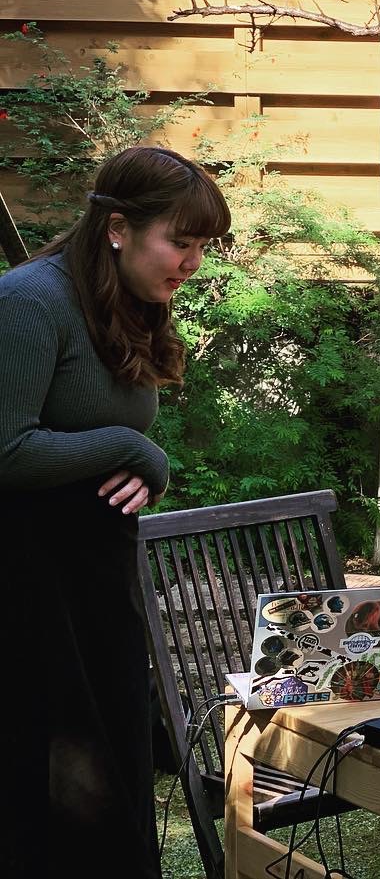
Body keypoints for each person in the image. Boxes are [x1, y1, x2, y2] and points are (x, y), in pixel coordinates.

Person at [0, 146, 230, 878]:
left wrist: (138, 462)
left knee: (120, 770)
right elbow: (6, 449)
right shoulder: (28, 301)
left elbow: (95, 434)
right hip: (28, 585)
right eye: (180, 241)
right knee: (56, 786)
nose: (192, 262)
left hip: (99, 575)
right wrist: (134, 449)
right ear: (118, 228)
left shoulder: (129, 300)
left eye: (202, 245)